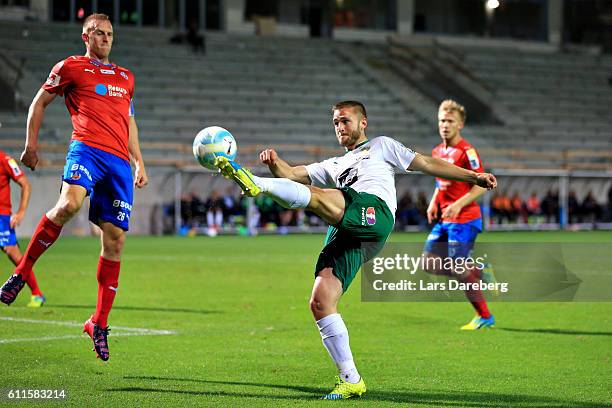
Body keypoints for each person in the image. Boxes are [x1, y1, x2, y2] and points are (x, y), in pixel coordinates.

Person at [214, 100, 497, 399]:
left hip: (374, 212)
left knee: (320, 197)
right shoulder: (335, 164)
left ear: (363, 123)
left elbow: (427, 164)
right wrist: (275, 165)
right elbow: (294, 174)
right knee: (321, 301)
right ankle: (351, 379)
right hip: (350, 230)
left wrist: (473, 176)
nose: (339, 126)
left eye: (345, 120)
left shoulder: (382, 146)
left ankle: (256, 183)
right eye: (335, 122)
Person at [0, 13, 148, 362]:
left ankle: (98, 323)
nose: (106, 38)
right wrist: (30, 145)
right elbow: (38, 103)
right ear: (85, 36)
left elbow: (129, 122)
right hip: (86, 149)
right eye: (99, 33)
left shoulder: (126, 77)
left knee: (115, 241)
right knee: (69, 205)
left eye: (110, 34)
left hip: (118, 163)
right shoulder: (70, 67)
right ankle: (21, 274)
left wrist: (139, 161)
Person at [424, 100, 495, 330]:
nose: (445, 125)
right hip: (445, 218)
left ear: (460, 124)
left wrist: (458, 204)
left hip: (465, 219)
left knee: (458, 268)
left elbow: (482, 184)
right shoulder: (437, 151)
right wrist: (434, 201)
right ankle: (479, 270)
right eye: (442, 121)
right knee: (429, 264)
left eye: (450, 121)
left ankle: (485, 316)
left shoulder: (467, 152)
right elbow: (441, 181)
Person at [0, 149, 45, 307]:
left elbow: (25, 184)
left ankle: (37, 294)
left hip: (2, 218)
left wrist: (20, 213)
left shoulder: (5, 160)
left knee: (14, 254)